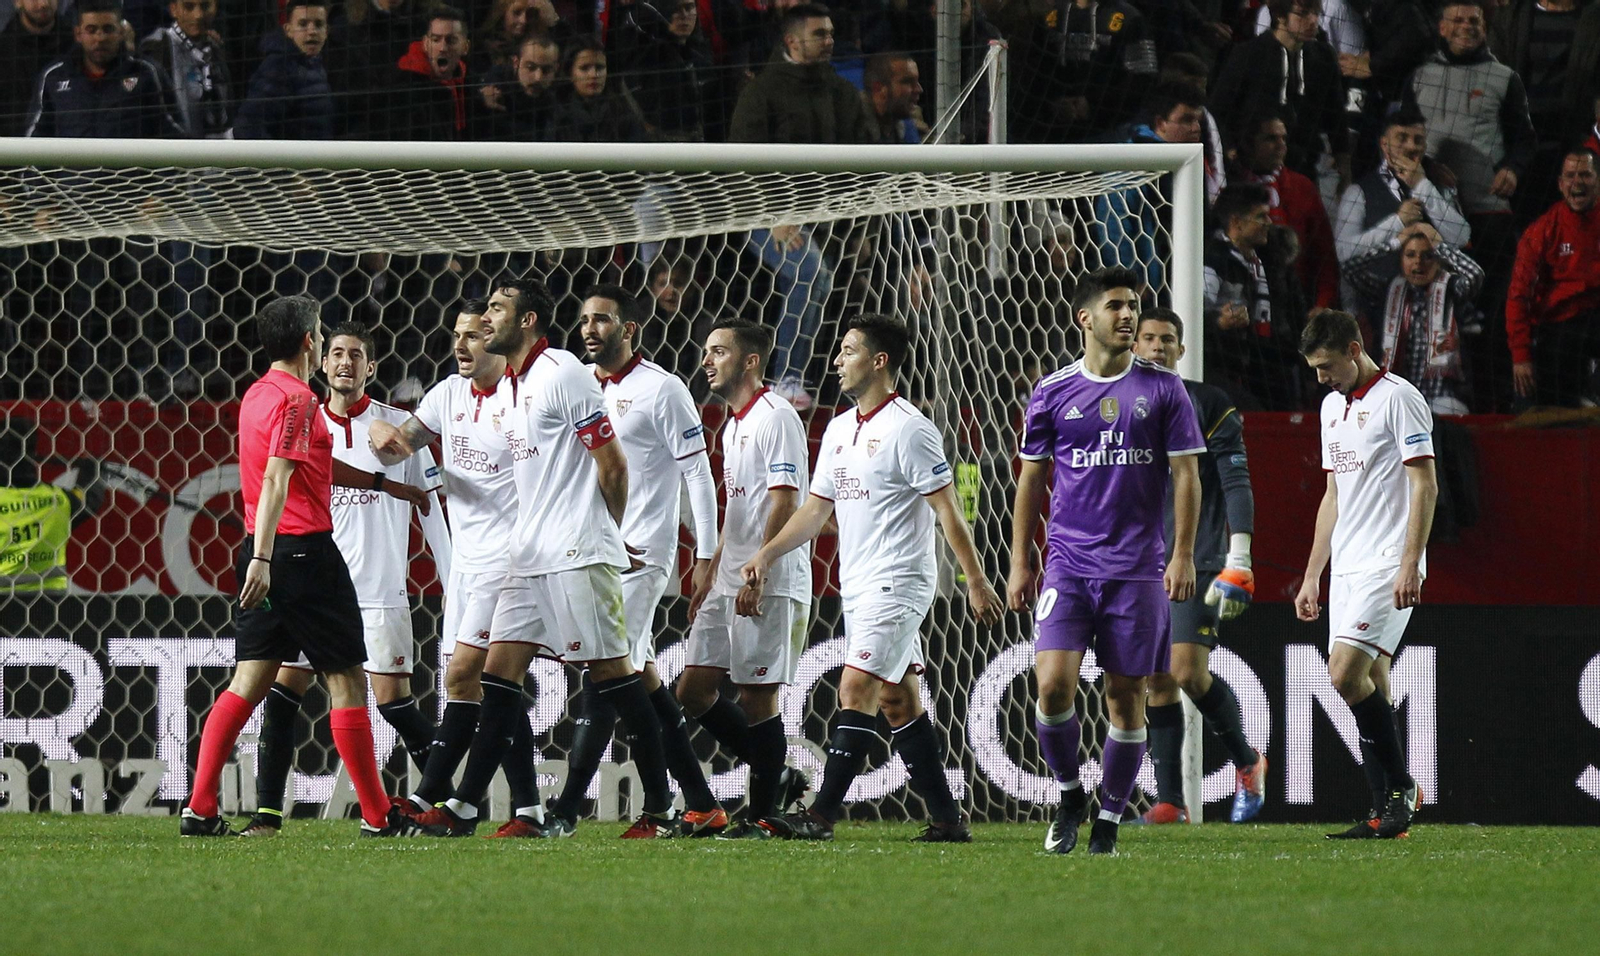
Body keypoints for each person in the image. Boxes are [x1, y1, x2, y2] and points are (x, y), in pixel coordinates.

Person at [372, 276, 681, 839]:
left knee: (614, 674)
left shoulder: (562, 372)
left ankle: (664, 806)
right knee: (496, 675)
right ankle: (473, 806)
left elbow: (612, 464)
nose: (485, 320)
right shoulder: (511, 385)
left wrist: (602, 535)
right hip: (528, 555)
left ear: (529, 320)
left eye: (496, 309)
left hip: (573, 550)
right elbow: (403, 442)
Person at [181, 295, 439, 838]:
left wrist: (382, 484)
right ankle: (377, 817)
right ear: (308, 343)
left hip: (268, 550)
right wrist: (265, 557)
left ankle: (200, 808)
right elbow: (278, 477)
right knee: (346, 681)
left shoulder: (257, 395)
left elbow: (311, 467)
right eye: (321, 335)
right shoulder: (299, 400)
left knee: (249, 682)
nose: (324, 344)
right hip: (302, 555)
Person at [744, 315, 1003, 842]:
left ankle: (819, 816)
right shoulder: (840, 429)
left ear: (879, 361)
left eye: (848, 350)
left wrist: (974, 578)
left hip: (901, 581)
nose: (837, 360)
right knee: (898, 701)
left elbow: (948, 512)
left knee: (855, 687)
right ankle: (948, 820)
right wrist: (767, 554)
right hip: (858, 584)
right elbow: (816, 511)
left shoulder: (910, 428)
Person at [1007, 266, 1205, 856]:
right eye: (1116, 306)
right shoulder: (1052, 391)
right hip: (1068, 564)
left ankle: (1110, 820)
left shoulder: (1164, 389)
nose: (1128, 316)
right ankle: (1070, 794)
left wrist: (1183, 554)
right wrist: (1021, 562)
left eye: (1134, 306)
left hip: (1138, 568)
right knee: (1053, 686)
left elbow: (1187, 474)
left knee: (1126, 694)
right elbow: (1030, 480)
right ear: (1084, 318)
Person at [545, 285, 727, 836]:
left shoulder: (663, 390)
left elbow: (698, 471)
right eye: (583, 320)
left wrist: (707, 552)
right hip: (589, 550)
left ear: (630, 330)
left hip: (641, 555)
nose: (590, 329)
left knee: (603, 676)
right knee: (638, 679)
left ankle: (566, 809)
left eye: (602, 320)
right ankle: (693, 802)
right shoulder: (576, 384)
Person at [367, 301, 551, 839]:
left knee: (462, 676)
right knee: (492, 685)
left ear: (497, 341)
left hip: (512, 561)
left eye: (474, 335)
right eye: (456, 335)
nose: (461, 345)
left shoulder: (523, 401)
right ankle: (529, 809)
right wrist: (382, 429)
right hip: (468, 567)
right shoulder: (446, 395)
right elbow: (403, 443)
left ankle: (436, 797)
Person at [1294, 308, 1437, 840]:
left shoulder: (1399, 398)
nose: (1322, 378)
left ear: (1355, 349)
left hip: (1387, 562)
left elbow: (1425, 484)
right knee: (1372, 679)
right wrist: (1312, 575)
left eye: (1327, 366)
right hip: (1348, 567)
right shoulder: (1331, 407)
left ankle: (1401, 789)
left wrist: (1409, 562)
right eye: (1315, 369)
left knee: (1343, 676)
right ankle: (1385, 811)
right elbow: (1332, 496)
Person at [1129, 308, 1266, 826]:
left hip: (1200, 554)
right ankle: (1170, 802)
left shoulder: (1209, 403)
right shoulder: (1119, 404)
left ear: (1182, 350)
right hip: (1140, 558)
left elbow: (1235, 481)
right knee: (1155, 679)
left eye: (1168, 339)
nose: (1158, 347)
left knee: (1186, 669)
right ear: (1134, 344)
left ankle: (1248, 761)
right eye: (1149, 338)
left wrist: (1240, 555)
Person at [676, 319, 812, 838]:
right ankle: (777, 777)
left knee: (758, 697)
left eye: (719, 352)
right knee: (692, 692)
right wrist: (711, 567)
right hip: (728, 575)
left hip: (766, 577)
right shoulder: (734, 424)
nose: (707, 361)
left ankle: (764, 815)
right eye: (706, 351)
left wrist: (760, 567)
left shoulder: (777, 416)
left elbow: (785, 499)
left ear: (750, 361)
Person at [1405, 0, 1535, 294]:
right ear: (1442, 27)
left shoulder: (1505, 78)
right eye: (1458, 20)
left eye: (1474, 21)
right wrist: (1427, 167)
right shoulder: (1418, 77)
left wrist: (1513, 170)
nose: (1467, 27)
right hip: (1432, 210)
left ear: (1484, 29)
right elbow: (1400, 137)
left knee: (1493, 295)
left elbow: (1524, 139)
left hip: (1488, 208)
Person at [1210, 0, 1349, 198]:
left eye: (1317, 14)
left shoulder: (1324, 57)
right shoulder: (1247, 55)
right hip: (1252, 172)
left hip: (1305, 171)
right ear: (1280, 16)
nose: (1313, 21)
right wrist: (1230, 149)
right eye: (1303, 13)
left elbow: (1336, 115)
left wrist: (1344, 162)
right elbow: (1218, 110)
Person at [1344, 222, 1484, 415]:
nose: (1418, 262)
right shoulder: (1387, 290)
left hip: (1443, 394)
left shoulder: (1452, 289)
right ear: (1400, 260)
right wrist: (1395, 242)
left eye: (1428, 255)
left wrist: (1438, 243)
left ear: (1438, 260)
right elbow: (1349, 268)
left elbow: (1475, 274)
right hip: (1395, 394)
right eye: (1410, 255)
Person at [1505, 149, 1600, 407]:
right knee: (1545, 388)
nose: (1577, 182)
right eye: (1570, 176)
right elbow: (1518, 296)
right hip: (1559, 324)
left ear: (1598, 181)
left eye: (1585, 175)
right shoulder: (1542, 232)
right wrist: (1521, 356)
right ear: (1560, 184)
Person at [1096, 80, 1206, 304]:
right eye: (1186, 119)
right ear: (1160, 122)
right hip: (1144, 287)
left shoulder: (1189, 163)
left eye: (1198, 120)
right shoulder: (1133, 159)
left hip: (1175, 279)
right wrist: (1128, 276)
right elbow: (1114, 219)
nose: (1195, 128)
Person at [1203, 183, 1303, 410]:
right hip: (1216, 367)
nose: (1269, 223)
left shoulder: (1266, 259)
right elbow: (1192, 315)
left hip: (1254, 362)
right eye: (1261, 217)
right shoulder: (1213, 258)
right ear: (1237, 222)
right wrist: (1218, 320)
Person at [1230, 109, 1340, 310]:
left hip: (1296, 304)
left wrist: (1322, 304)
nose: (1281, 145)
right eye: (1270, 139)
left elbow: (1324, 256)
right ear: (1248, 143)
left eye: (1284, 138)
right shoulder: (1229, 187)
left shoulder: (1302, 187)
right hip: (1242, 303)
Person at [1333, 106, 1471, 265]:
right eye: (1402, 138)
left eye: (1418, 140)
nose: (1411, 147)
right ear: (1384, 144)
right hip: (1379, 285)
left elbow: (1461, 238)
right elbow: (1343, 251)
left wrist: (1421, 185)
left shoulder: (1440, 183)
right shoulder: (1358, 191)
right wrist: (1397, 222)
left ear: (1424, 147)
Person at [24, 0, 177, 137]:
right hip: (71, 169)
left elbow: (173, 134)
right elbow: (34, 139)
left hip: (130, 169)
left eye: (108, 29)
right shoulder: (53, 77)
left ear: (121, 32)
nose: (100, 38)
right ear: (78, 34)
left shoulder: (146, 73)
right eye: (91, 30)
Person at [0, 417, 104, 593]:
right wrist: (91, 467)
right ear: (32, 452)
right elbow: (91, 498)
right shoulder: (59, 500)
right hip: (50, 605)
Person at [234, 0, 334, 140]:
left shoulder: (317, 65)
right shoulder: (278, 68)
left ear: (327, 31)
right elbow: (248, 126)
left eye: (318, 24)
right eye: (303, 24)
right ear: (288, 30)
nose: (312, 31)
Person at [369, 5, 472, 141]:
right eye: (436, 40)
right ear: (425, 44)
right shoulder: (402, 91)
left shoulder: (470, 86)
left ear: (465, 47)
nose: (442, 48)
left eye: (451, 40)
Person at [139, 0, 233, 138]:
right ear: (173, 9)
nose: (198, 15)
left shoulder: (217, 48)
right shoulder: (156, 50)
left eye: (205, 6)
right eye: (189, 7)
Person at [545, 34, 647, 142]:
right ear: (570, 73)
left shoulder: (624, 115)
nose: (594, 75)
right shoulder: (555, 114)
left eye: (600, 67)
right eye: (584, 68)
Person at [0, 0, 71, 137]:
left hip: (67, 148)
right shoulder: (3, 51)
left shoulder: (76, 47)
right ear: (18, 2)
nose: (43, 4)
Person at [861, 51, 923, 145]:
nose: (918, 89)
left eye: (917, 82)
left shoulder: (900, 126)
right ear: (878, 88)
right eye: (907, 82)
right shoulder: (848, 127)